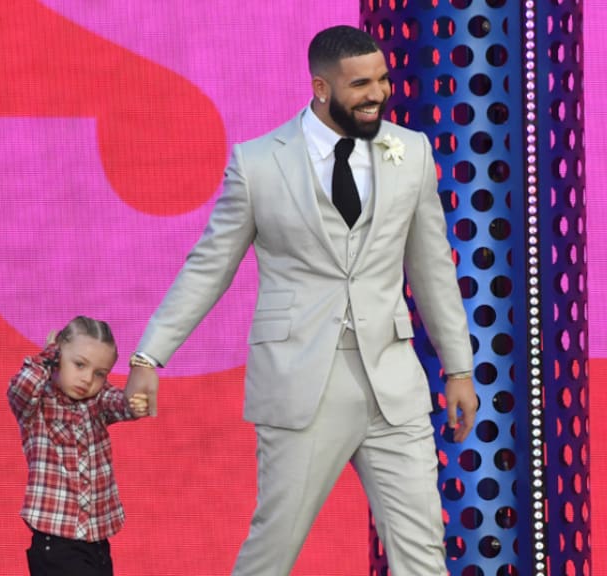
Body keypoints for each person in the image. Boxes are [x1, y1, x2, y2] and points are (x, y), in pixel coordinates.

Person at [126, 25, 478, 576]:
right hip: (300, 384)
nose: (379, 93)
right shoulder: (259, 162)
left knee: (422, 553)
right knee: (274, 550)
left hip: (393, 381)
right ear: (320, 88)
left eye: (383, 79)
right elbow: (209, 267)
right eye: (361, 84)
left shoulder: (411, 151)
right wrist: (150, 355)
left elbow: (432, 267)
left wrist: (459, 367)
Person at [8, 315, 149, 576]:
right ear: (59, 354)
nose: (87, 379)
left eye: (99, 373)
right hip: (56, 543)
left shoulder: (97, 403)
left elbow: (121, 403)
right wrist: (48, 355)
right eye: (79, 365)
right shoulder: (37, 405)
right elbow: (22, 387)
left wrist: (135, 401)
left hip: (96, 542)